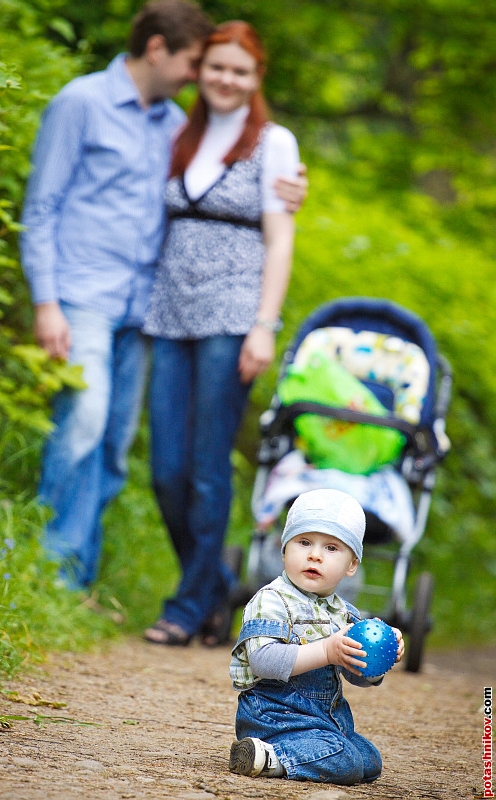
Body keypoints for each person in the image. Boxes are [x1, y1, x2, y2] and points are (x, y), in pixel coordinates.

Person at [19, 1, 305, 591]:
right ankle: (47, 574)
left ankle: (76, 578)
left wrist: (293, 187)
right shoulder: (80, 104)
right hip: (83, 294)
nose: (203, 76)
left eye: (222, 67)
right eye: (198, 63)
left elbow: (243, 175)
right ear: (158, 50)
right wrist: (45, 300)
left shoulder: (176, 125)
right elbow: (41, 206)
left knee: (115, 448)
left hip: (144, 306)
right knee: (83, 425)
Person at [143, 21, 299, 646]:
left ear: (256, 77)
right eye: (217, 68)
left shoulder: (274, 142)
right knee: (164, 469)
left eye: (241, 70)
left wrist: (264, 325)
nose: (227, 80)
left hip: (232, 317)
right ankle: (210, 587)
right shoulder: (182, 133)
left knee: (207, 467)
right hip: (169, 313)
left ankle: (186, 606)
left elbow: (281, 237)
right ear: (201, 70)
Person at [228, 488, 405, 784]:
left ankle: (288, 755)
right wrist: (326, 652)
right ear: (284, 550)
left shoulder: (345, 614)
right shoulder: (271, 600)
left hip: (325, 722)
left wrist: (379, 660)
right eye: (304, 542)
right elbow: (263, 662)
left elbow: (355, 676)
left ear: (351, 565)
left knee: (369, 760)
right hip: (275, 718)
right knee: (346, 762)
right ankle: (267, 756)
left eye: (331, 548)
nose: (314, 555)